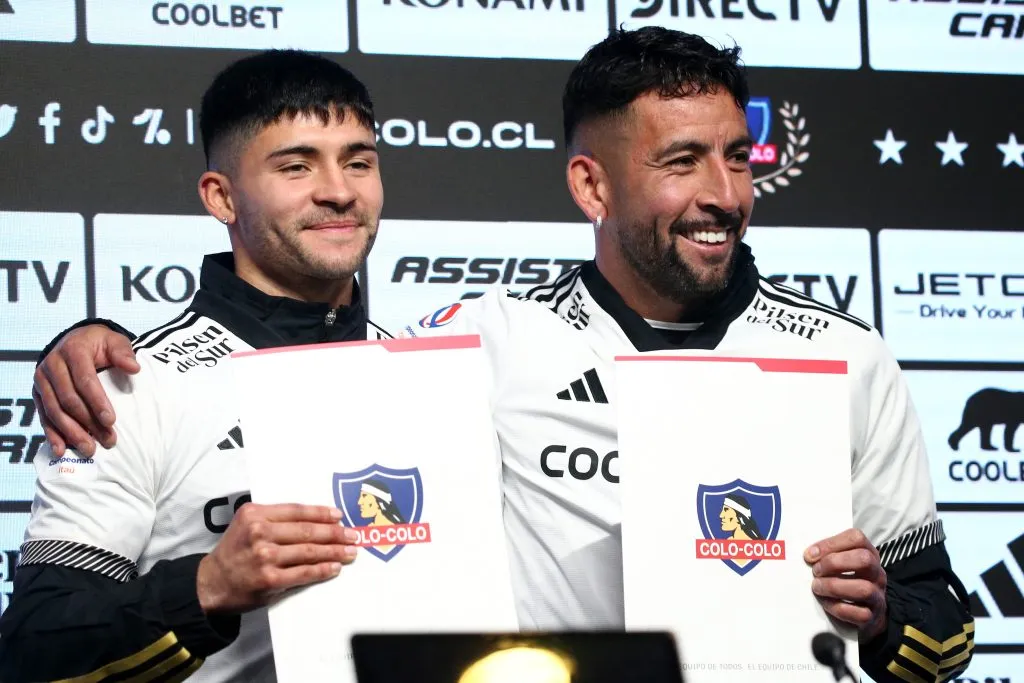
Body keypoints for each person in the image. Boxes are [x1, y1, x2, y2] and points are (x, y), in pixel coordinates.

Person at [26, 28, 975, 682]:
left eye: (737, 157)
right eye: (681, 161)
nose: (723, 193)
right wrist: (82, 345)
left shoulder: (849, 358)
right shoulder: (478, 344)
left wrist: (884, 613)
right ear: (591, 185)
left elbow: (948, 627)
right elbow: (29, 648)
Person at [0, 50, 391, 682]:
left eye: (358, 162)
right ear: (221, 197)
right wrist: (207, 585)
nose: (339, 191)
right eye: (296, 165)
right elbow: (34, 649)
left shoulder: (435, 371)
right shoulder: (129, 387)